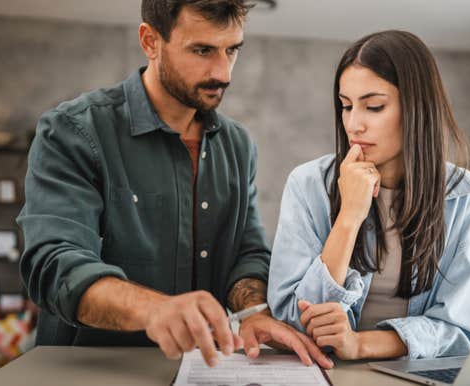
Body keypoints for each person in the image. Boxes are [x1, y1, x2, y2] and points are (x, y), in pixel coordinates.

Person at [17, 0, 332, 369]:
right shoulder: (74, 132)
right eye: (202, 50)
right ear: (150, 41)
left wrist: (254, 312)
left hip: (205, 370)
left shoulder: (238, 145)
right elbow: (56, 266)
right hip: (90, 370)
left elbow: (247, 253)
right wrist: (155, 309)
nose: (223, 72)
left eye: (232, 50)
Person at [267, 30, 470, 360]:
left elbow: (463, 328)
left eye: (373, 106)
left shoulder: (461, 194)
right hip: (326, 372)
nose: (353, 124)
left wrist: (360, 344)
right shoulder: (308, 184)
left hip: (409, 373)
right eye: (345, 106)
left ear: (418, 108)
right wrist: (349, 217)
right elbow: (294, 318)